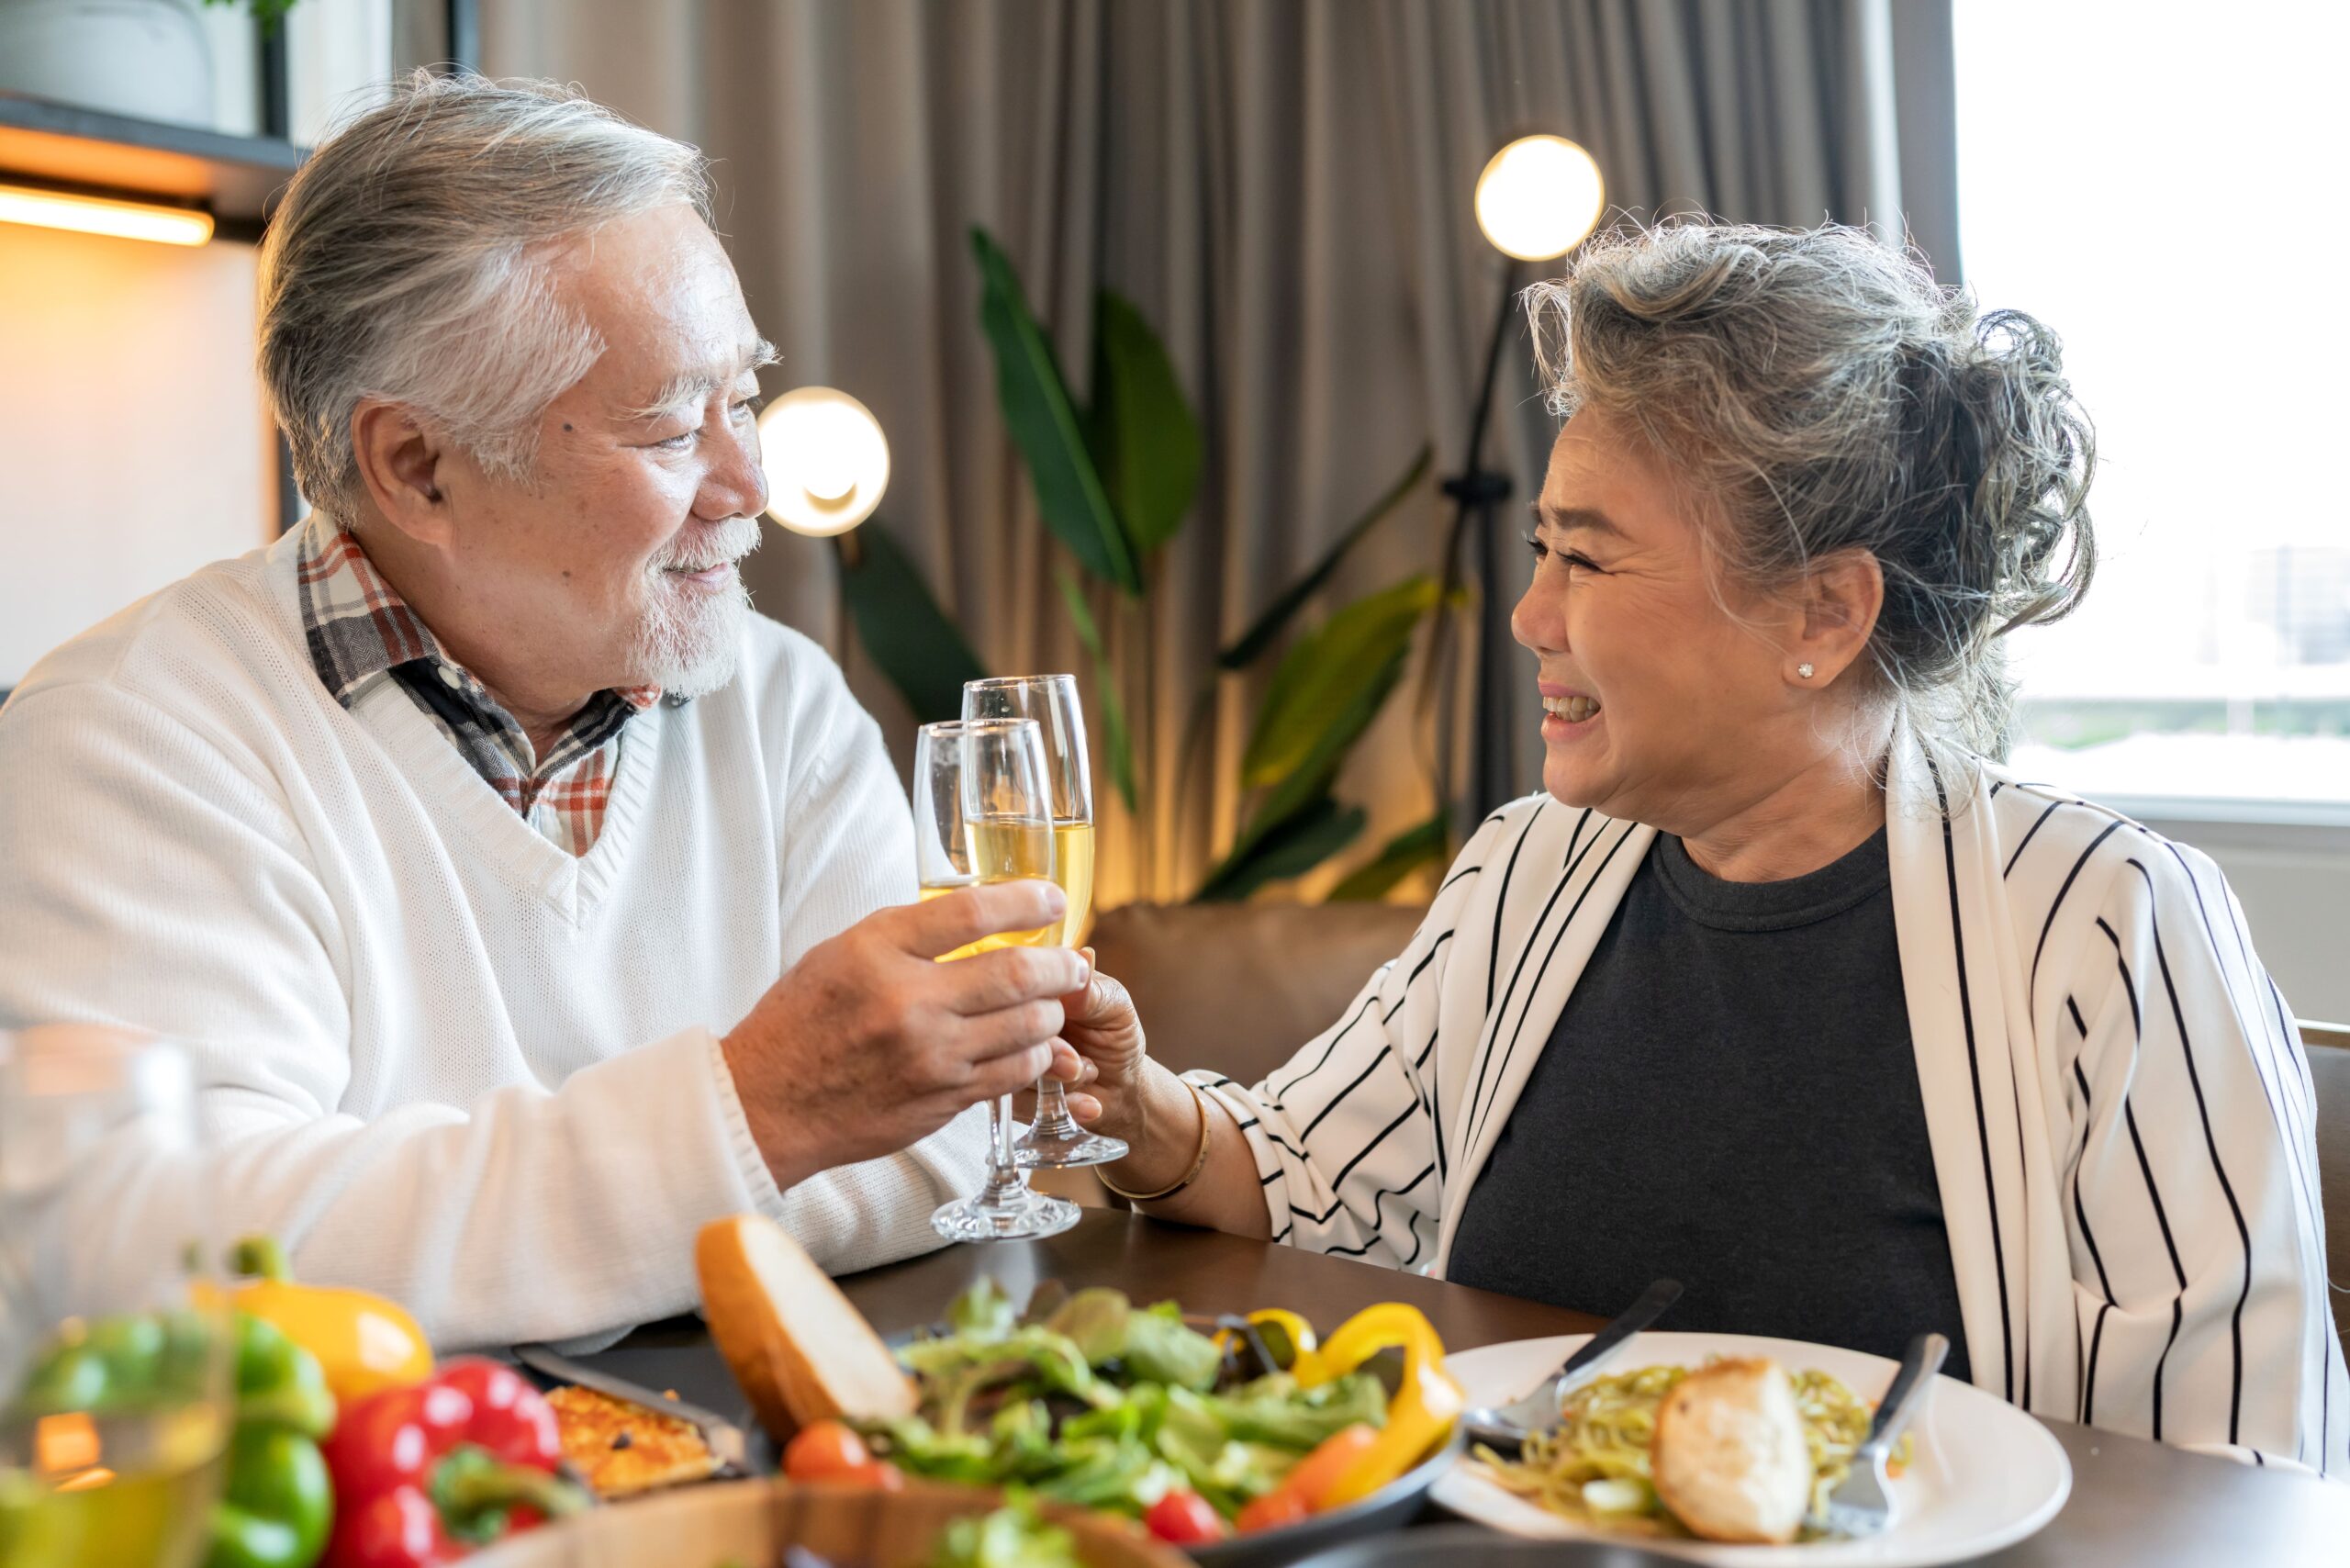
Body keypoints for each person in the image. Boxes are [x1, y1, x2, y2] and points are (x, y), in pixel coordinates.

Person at [1053, 221, 2348, 1473]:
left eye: (1590, 561)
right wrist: (1135, 1108)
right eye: (1540, 549)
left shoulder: (2105, 922)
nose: (1529, 614)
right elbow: (1297, 1178)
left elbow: (2238, 1463)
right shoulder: (1528, 870)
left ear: (1824, 611)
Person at [0, 74, 1090, 1349]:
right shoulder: (134, 739)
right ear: (417, 466)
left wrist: (483, 1233)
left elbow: (952, 1146)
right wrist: (758, 1117)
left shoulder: (781, 704)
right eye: (673, 423)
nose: (749, 484)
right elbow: (168, 1272)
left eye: (743, 398)